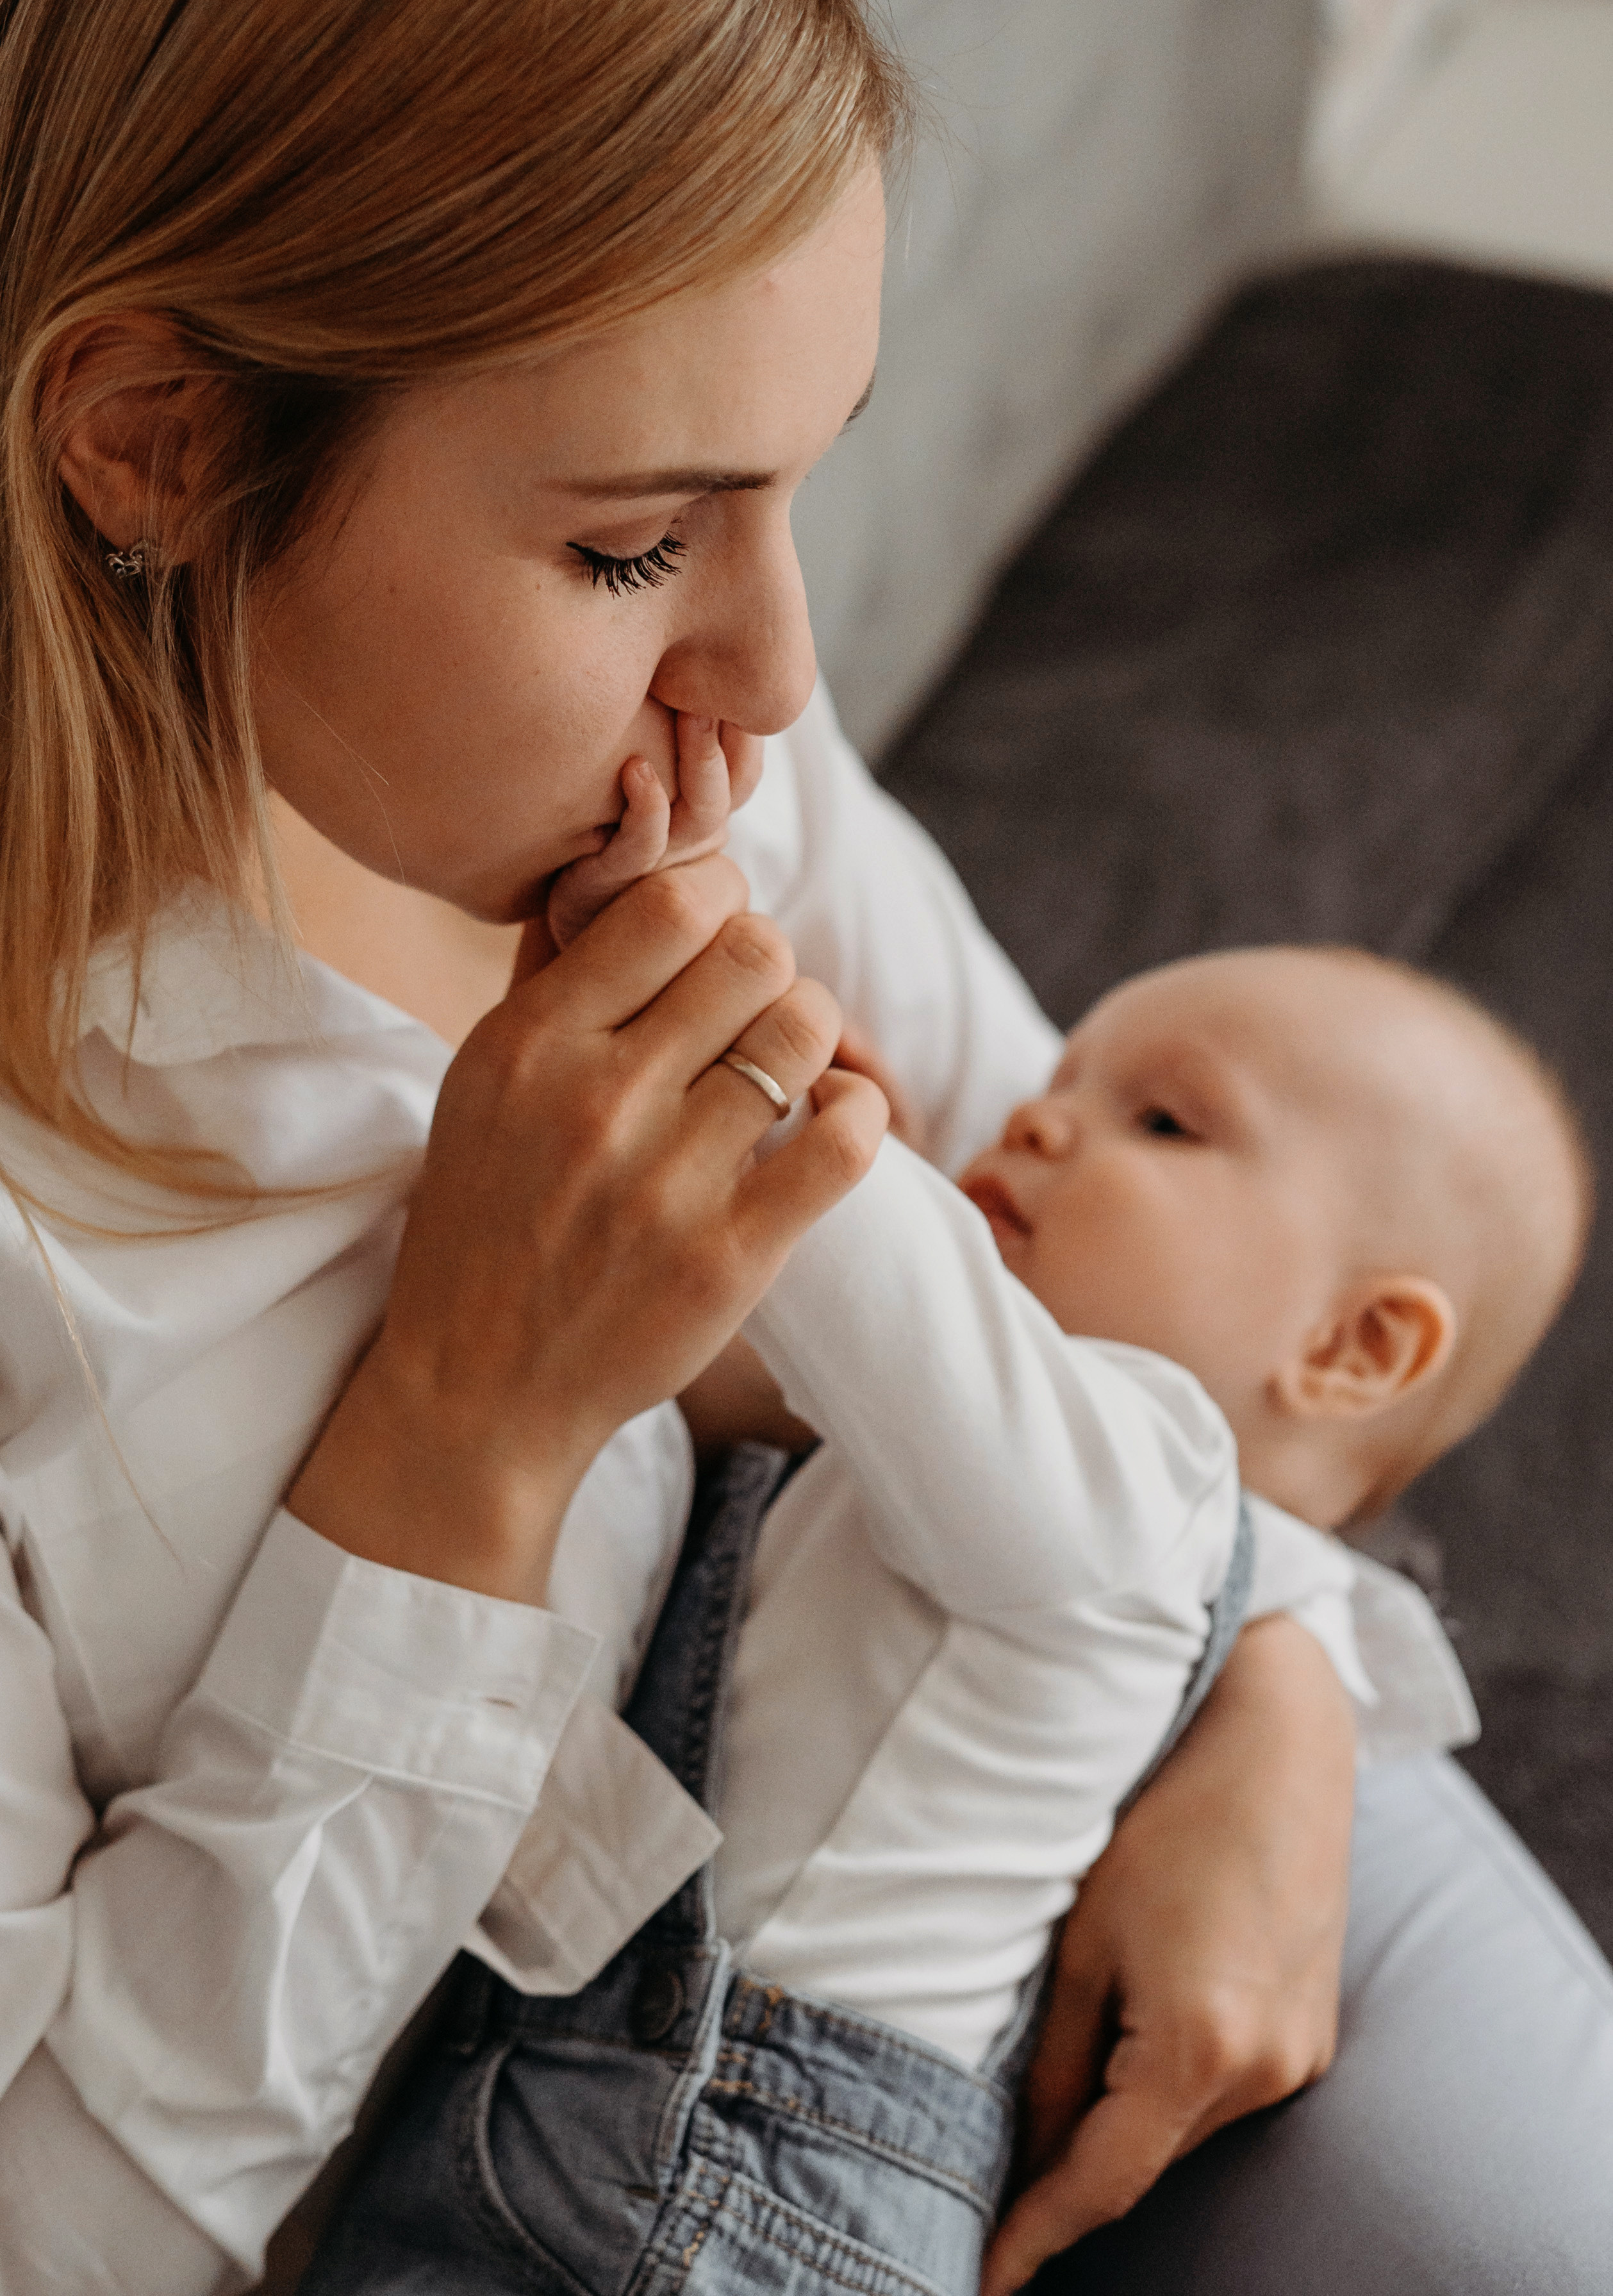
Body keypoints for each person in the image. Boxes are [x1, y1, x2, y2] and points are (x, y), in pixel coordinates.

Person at [0, 0, 1609, 2294]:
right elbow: (67, 2224)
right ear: (157, 446)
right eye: (640, 541)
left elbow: (1071, 1242)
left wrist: (1270, 1668)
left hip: (993, 1735)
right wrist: (462, 1439)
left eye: (793, 483)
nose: (769, 673)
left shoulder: (699, 754)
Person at [300, 786, 1584, 2293]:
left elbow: (833, 1254)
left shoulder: (1134, 1495)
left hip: (746, 2188)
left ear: (1353, 1348)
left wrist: (706, 1014)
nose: (1038, 1114)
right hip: (637, 2144)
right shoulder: (1001, 1492)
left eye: (1158, 1119)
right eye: (1068, 1076)